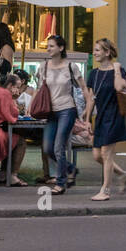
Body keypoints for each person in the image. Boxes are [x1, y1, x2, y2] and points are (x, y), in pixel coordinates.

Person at [82, 38, 126, 201]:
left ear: (107, 52)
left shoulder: (118, 70)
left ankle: (105, 190)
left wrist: (117, 69)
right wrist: (87, 119)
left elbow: (119, 87)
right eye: (94, 50)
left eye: (97, 50)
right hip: (101, 116)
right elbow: (91, 97)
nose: (94, 53)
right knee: (97, 155)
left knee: (106, 153)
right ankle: (123, 174)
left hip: (115, 116)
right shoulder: (94, 73)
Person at [39, 35, 83, 194]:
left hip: (67, 109)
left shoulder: (71, 67)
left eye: (51, 46)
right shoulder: (43, 67)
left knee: (58, 147)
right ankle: (71, 168)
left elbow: (83, 89)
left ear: (61, 48)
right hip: (51, 112)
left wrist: (86, 113)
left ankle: (60, 183)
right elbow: (40, 90)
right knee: (48, 148)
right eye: (48, 46)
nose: (48, 49)